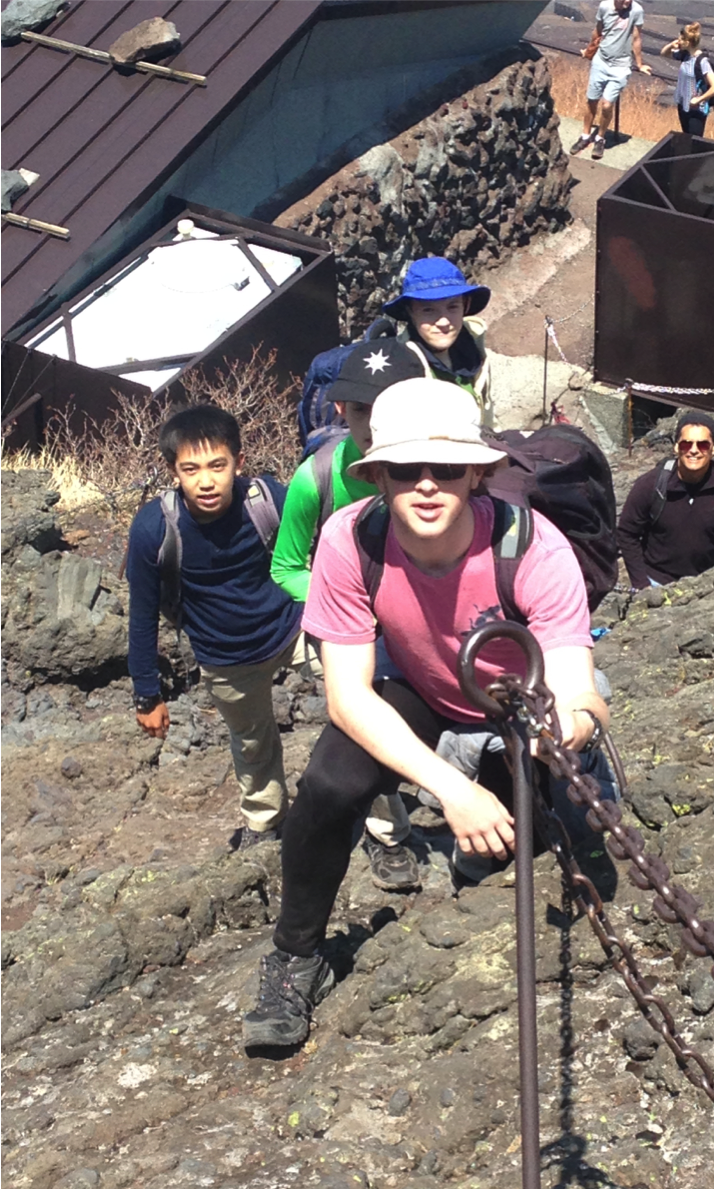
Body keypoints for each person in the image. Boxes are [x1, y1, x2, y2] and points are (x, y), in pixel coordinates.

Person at [243, 378, 609, 1047]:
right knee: (329, 784)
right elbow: (346, 694)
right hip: (424, 686)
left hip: (520, 699)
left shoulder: (533, 548)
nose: (427, 484)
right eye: (407, 469)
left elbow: (572, 682)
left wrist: (570, 727)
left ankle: (498, 869)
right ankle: (295, 957)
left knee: (537, 836)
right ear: (378, 475)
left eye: (445, 468)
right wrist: (452, 790)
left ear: (476, 472)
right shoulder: (349, 541)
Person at [270, 337, 426, 890]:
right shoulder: (314, 479)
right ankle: (389, 835)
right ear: (340, 410)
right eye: (361, 409)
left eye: (387, 405)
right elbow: (285, 566)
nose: (372, 423)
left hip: (418, 619)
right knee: (363, 727)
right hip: (343, 630)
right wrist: (344, 599)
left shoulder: (441, 469)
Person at [127, 406, 307, 850]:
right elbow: (143, 612)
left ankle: (386, 829)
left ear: (238, 463)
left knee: (360, 713)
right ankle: (265, 824)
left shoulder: (269, 500)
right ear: (173, 472)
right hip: (225, 654)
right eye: (190, 470)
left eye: (217, 466)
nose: (206, 481)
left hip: (296, 626)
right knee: (252, 745)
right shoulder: (155, 528)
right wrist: (147, 694)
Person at [617, 413, 714, 591]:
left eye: (703, 445)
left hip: (706, 584)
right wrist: (642, 585)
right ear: (676, 447)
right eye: (686, 443)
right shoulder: (651, 484)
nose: (694, 450)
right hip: (656, 582)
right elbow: (627, 534)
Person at [382, 257, 496, 429]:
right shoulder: (401, 368)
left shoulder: (474, 348)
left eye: (452, 307)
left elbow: (488, 418)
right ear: (410, 312)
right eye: (428, 310)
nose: (443, 322)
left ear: (466, 305)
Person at [570, 0, 651, 161]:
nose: (627, 1)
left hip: (621, 66)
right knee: (592, 100)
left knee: (607, 104)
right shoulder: (605, 7)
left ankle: (600, 137)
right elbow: (598, 31)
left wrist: (639, 64)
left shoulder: (637, 11)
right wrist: (588, 51)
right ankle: (585, 135)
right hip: (601, 61)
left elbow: (636, 38)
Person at [660, 22, 714, 137]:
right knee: (686, 137)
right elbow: (663, 54)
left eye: (680, 40)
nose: (679, 42)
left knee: (695, 140)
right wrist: (671, 45)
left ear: (687, 42)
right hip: (683, 105)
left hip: (696, 109)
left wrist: (699, 99)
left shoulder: (702, 62)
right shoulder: (685, 55)